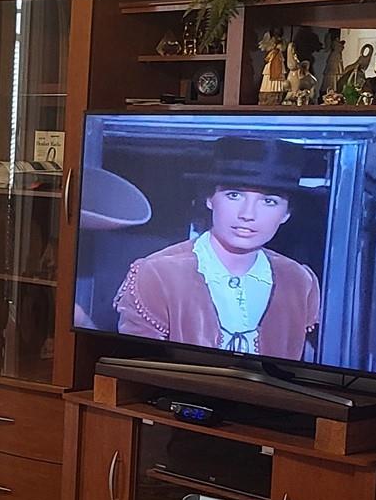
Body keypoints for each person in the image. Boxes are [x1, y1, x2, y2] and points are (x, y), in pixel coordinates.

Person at [114, 135, 322, 359]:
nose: (247, 215)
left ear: (286, 213)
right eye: (234, 195)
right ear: (210, 199)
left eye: (269, 201)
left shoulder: (300, 280)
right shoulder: (157, 273)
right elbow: (139, 368)